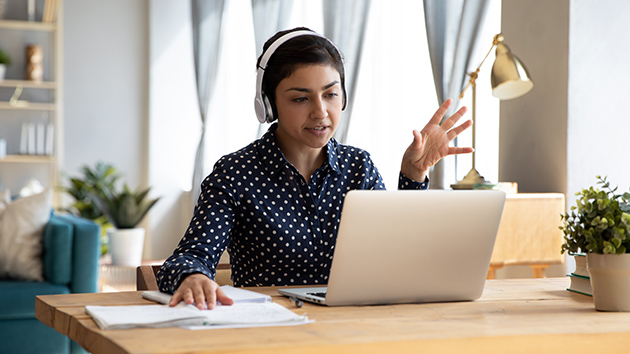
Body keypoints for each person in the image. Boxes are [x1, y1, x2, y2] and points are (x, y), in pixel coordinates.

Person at [157, 27, 472, 309]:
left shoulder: (358, 167)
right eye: (300, 99)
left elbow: (401, 255)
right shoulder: (236, 173)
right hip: (268, 331)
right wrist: (193, 276)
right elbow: (188, 257)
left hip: (352, 329)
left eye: (331, 94)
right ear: (268, 105)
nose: (321, 112)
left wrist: (413, 175)